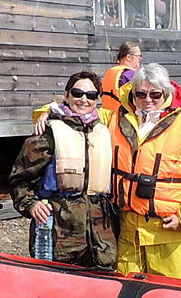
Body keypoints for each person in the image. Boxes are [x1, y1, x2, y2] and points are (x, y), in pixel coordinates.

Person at [109, 63, 181, 279]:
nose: (148, 100)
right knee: (127, 292)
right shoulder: (116, 118)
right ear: (133, 94)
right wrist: (47, 113)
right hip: (129, 231)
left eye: (155, 94)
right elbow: (80, 110)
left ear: (166, 94)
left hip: (168, 232)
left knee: (169, 295)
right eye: (141, 94)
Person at [9, 71, 117, 269]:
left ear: (97, 100)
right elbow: (19, 180)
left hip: (101, 240)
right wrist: (31, 205)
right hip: (59, 237)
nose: (84, 100)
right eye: (77, 93)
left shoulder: (105, 129)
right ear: (67, 95)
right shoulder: (49, 133)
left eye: (91, 95)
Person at [101, 41, 142, 112]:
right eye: (139, 56)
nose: (140, 59)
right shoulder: (130, 75)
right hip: (123, 118)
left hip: (107, 116)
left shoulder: (111, 72)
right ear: (129, 57)